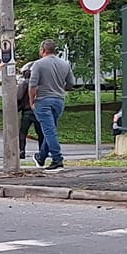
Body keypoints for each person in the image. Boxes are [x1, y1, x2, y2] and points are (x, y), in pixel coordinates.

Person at [28, 39, 73, 170]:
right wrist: (60, 89)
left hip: (43, 100)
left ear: (43, 50)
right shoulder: (65, 64)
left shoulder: (38, 64)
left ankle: (57, 159)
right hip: (59, 100)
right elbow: (70, 83)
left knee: (49, 130)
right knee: (51, 130)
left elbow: (32, 85)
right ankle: (41, 157)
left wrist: (32, 101)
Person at [14, 64, 38, 161]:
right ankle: (42, 150)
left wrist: (17, 107)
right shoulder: (38, 84)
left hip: (27, 111)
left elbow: (19, 97)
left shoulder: (24, 84)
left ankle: (22, 150)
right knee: (40, 133)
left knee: (23, 132)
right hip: (37, 111)